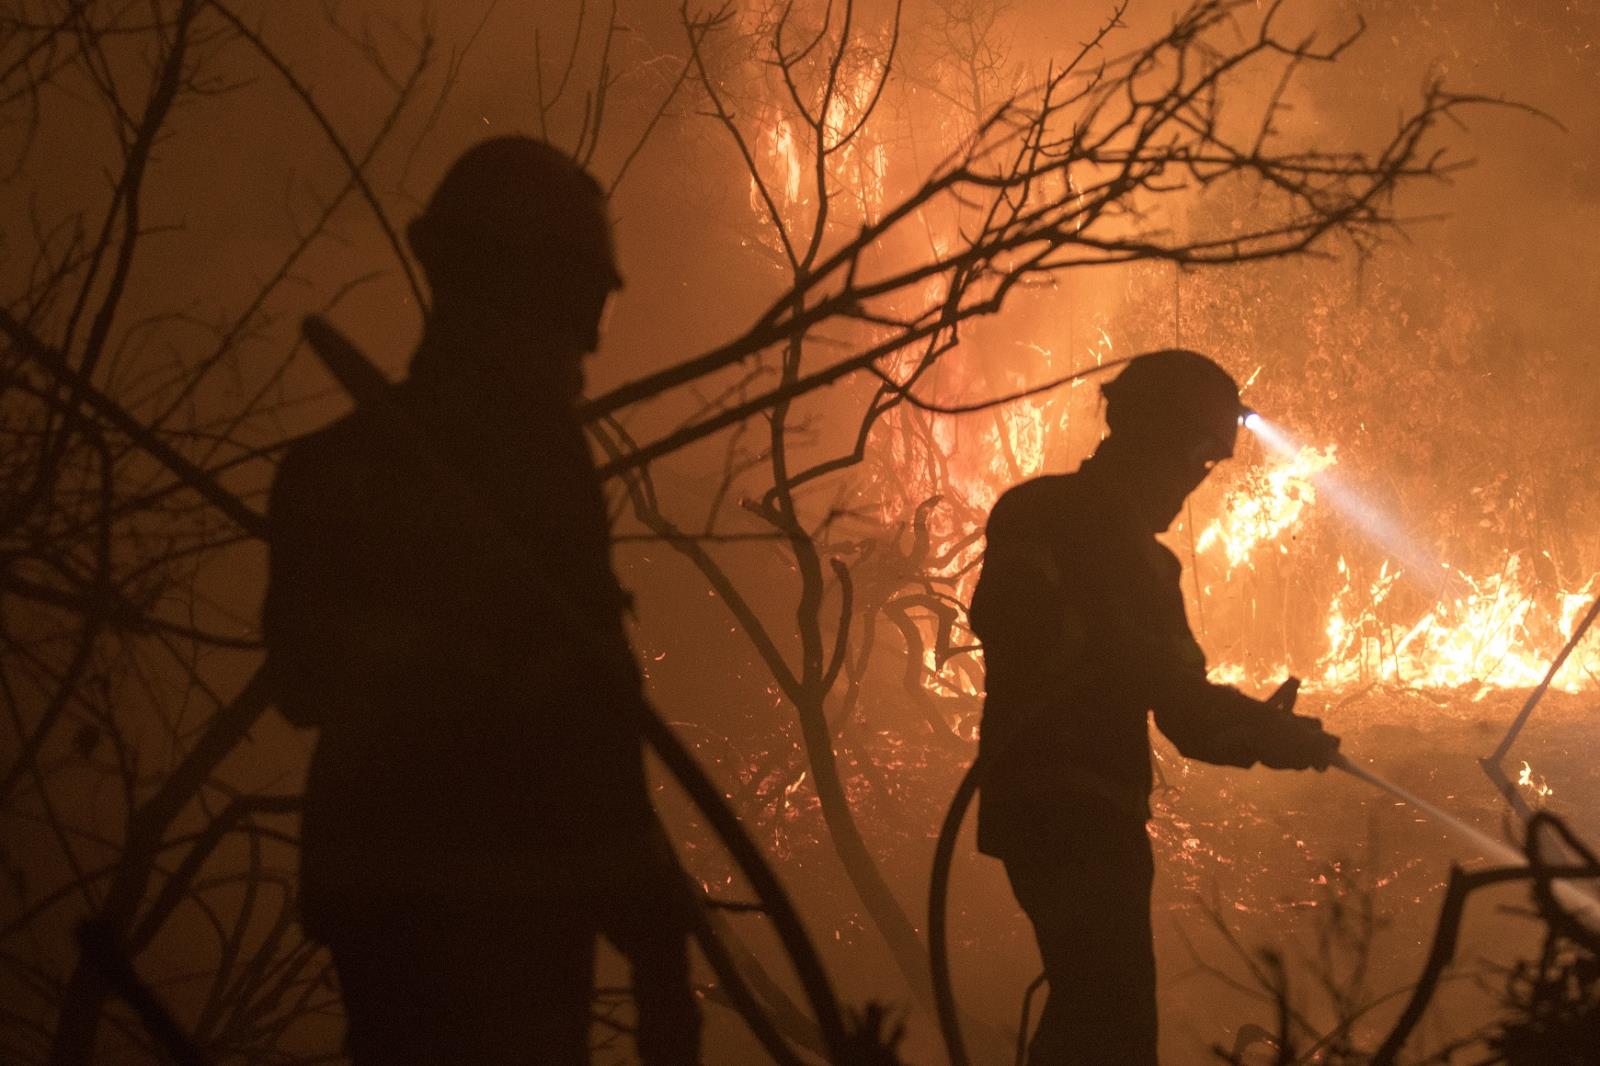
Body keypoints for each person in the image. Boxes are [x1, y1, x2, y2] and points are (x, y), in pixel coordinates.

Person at [262, 137, 700, 1065]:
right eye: (582, 304)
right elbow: (585, 715)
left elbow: (300, 685)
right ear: (526, 287)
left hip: (374, 905)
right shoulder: (532, 460)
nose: (588, 344)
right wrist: (656, 936)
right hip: (507, 908)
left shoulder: (324, 470)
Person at [968, 349, 1340, 1066]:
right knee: (1113, 1020)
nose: (1195, 481)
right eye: (1198, 458)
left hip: (1020, 803)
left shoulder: (1030, 510)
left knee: (1090, 1005)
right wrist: (1273, 734)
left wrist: (1256, 726)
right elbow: (1182, 709)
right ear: (1156, 438)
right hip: (1087, 810)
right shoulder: (1129, 552)